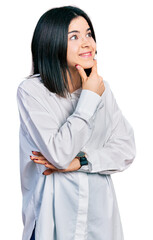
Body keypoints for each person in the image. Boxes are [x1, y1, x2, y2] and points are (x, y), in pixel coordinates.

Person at [17, 6, 136, 240]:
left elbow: (126, 149)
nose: (87, 43)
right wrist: (89, 98)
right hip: (51, 224)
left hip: (98, 223)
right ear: (52, 44)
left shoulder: (103, 89)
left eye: (89, 34)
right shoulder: (32, 92)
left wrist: (79, 162)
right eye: (74, 36)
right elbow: (59, 153)